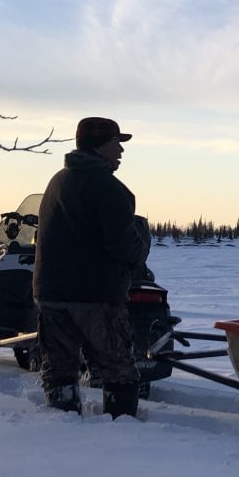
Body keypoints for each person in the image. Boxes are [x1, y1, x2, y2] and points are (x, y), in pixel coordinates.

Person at [33, 117, 150, 418]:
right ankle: (123, 427)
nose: (121, 151)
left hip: (52, 294)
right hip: (96, 297)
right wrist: (141, 247)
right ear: (99, 146)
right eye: (116, 143)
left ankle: (61, 425)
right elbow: (123, 245)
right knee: (118, 367)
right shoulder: (109, 188)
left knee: (59, 369)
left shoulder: (57, 182)